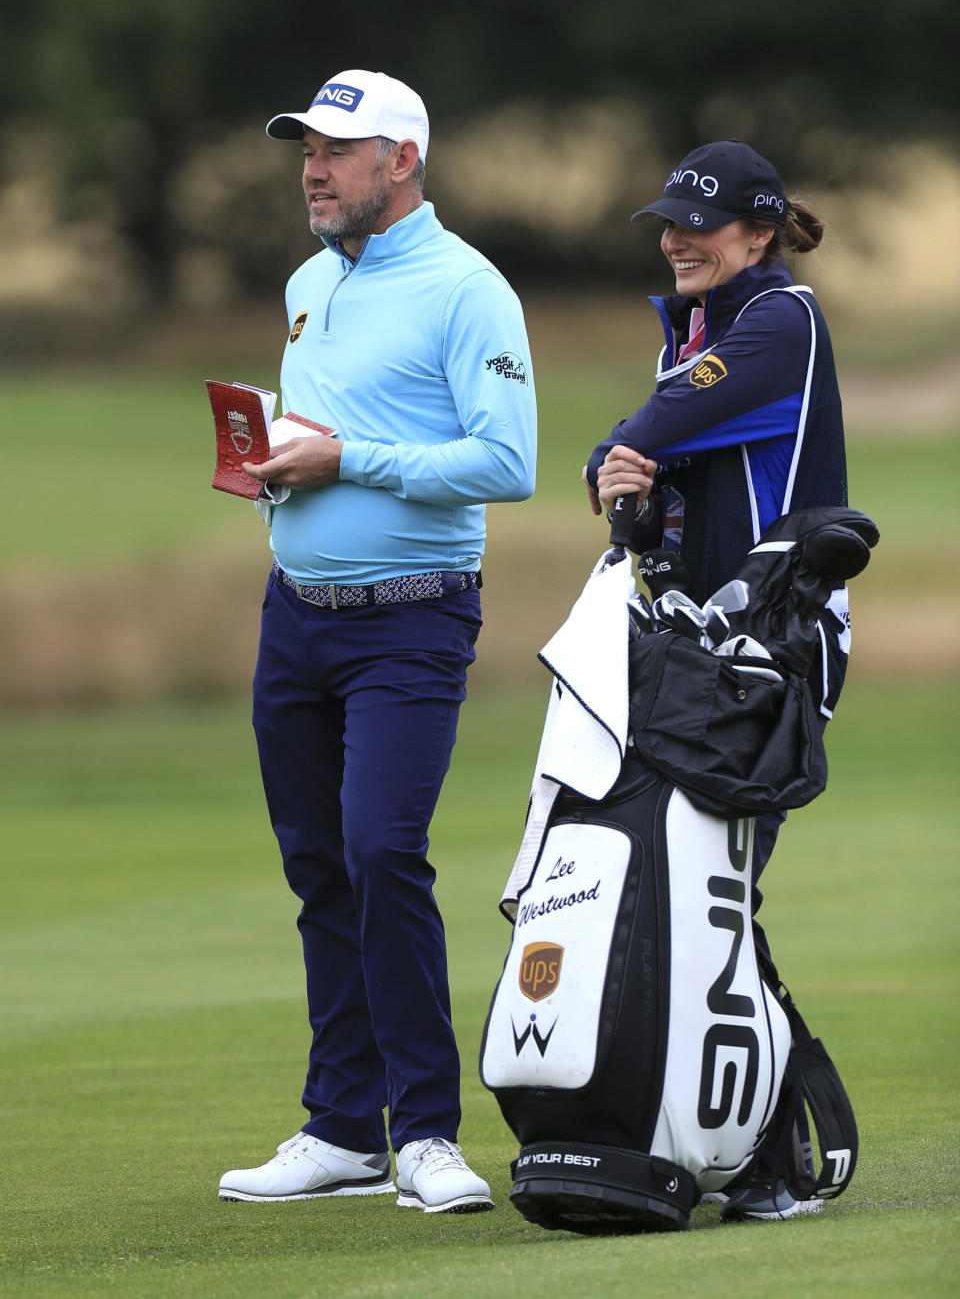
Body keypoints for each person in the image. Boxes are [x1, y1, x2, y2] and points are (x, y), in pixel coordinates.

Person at [217, 69, 536, 1214]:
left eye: (338, 150)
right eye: (305, 147)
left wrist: (343, 458)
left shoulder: (468, 289)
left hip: (412, 618)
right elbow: (332, 437)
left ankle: (429, 1133)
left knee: (380, 850)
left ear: (403, 159)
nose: (312, 167)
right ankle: (345, 1126)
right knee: (318, 867)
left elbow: (508, 462)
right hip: (295, 613)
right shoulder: (310, 282)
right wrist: (275, 468)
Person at [583, 139, 848, 1221]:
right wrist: (621, 473)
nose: (675, 238)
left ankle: (780, 1147)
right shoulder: (699, 330)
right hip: (699, 647)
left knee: (718, 884)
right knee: (692, 881)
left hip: (773, 644)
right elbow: (620, 474)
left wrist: (623, 455)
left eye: (699, 223)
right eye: (668, 221)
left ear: (759, 231)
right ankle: (726, 1130)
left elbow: (648, 432)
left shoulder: (780, 319)